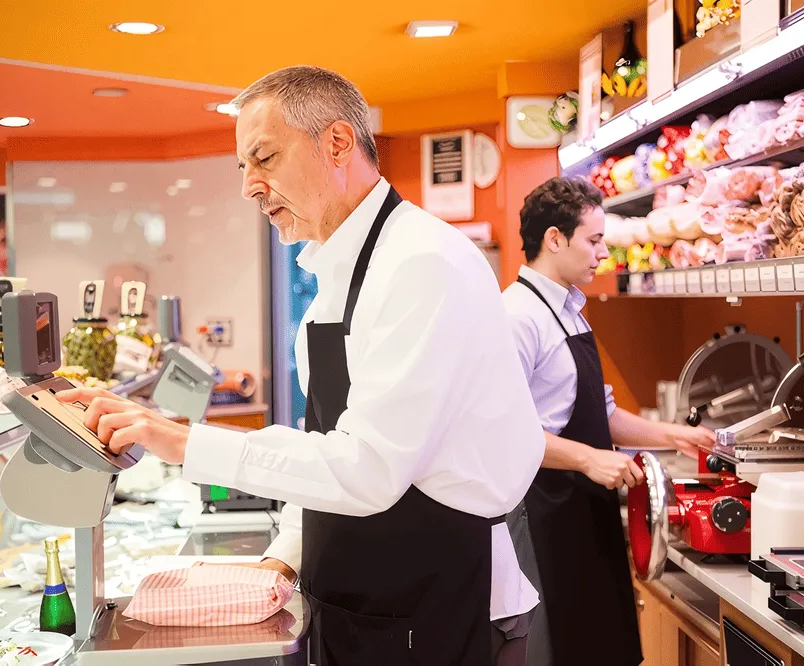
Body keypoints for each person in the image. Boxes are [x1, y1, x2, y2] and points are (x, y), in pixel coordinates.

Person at [57, 65, 544, 666]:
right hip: (360, 605)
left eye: (263, 158)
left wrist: (183, 442)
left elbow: (370, 468)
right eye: (243, 166)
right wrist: (285, 552)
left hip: (441, 607)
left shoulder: (423, 263)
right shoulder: (330, 284)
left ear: (337, 143)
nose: (249, 187)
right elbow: (326, 444)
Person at [501, 176, 717, 666]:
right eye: (594, 240)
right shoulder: (516, 317)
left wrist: (672, 436)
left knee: (599, 644)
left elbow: (600, 413)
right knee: (556, 648)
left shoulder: (572, 310)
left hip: (585, 507)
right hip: (540, 511)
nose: (604, 252)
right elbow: (503, 432)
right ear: (554, 239)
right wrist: (588, 460)